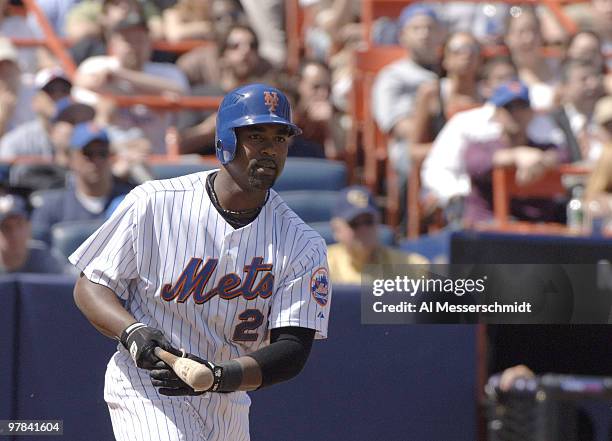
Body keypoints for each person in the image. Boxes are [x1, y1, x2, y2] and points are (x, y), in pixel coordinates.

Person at [68, 84, 331, 441]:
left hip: (229, 402)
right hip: (147, 388)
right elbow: (92, 284)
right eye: (257, 135)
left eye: (280, 138)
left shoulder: (302, 243)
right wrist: (131, 332)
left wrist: (219, 376)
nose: (270, 149)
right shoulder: (155, 203)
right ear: (226, 139)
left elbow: (292, 350)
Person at [421, 81, 566, 224]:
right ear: (497, 113)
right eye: (508, 108)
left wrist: (540, 161)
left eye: (522, 107)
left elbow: (563, 155)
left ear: (531, 112)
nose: (516, 113)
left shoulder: (542, 148)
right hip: (487, 229)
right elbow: (477, 163)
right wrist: (516, 156)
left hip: (537, 230)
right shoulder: (481, 145)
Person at [73, 12, 189, 153]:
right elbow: (81, 82)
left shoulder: (168, 71)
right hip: (111, 154)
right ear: (113, 43)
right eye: (127, 40)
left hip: (155, 155)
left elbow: (182, 92)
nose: (134, 46)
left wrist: (122, 76)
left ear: (149, 42)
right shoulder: (96, 64)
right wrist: (153, 96)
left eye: (140, 39)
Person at [371, 4, 443, 178]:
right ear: (402, 36)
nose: (424, 34)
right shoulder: (392, 76)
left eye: (430, 27)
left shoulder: (453, 70)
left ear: (441, 34)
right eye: (416, 28)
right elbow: (397, 126)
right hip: (412, 148)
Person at [31, 122, 133, 241]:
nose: (96, 160)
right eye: (88, 153)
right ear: (71, 159)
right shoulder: (52, 207)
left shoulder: (130, 202)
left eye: (102, 153)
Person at [328, 186, 427, 285]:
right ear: (336, 230)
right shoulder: (321, 266)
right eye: (354, 223)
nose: (364, 230)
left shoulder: (411, 267)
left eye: (368, 222)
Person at [550, 59, 605, 163]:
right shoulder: (552, 120)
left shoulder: (608, 118)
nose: (593, 85)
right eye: (584, 79)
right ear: (565, 87)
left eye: (596, 77)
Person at [0, 194, 65, 274]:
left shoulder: (45, 260)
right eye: (6, 227)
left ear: (29, 228)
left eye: (19, 225)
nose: (14, 234)